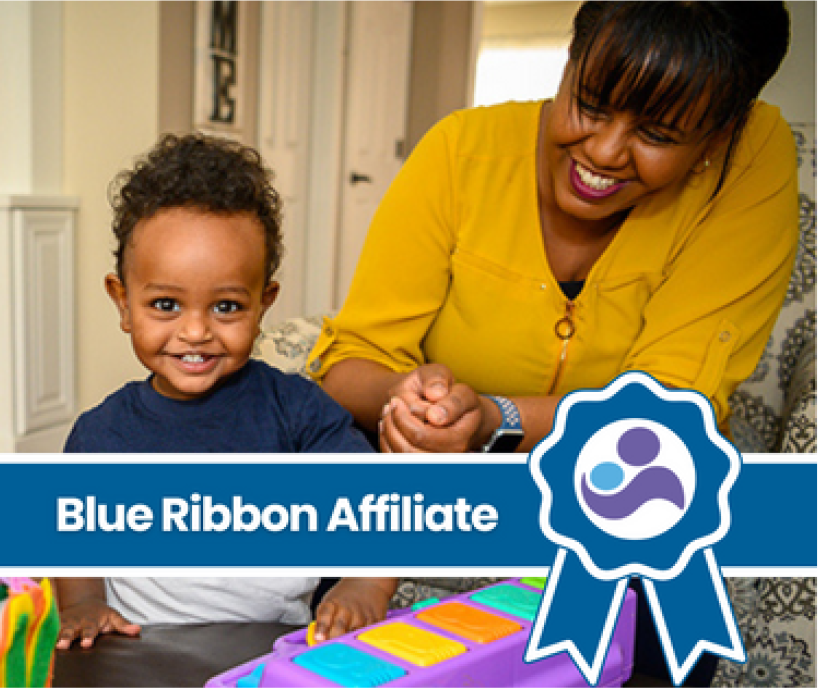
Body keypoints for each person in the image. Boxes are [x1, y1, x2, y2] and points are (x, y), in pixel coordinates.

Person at [307, 1, 798, 458]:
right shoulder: (459, 152)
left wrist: (494, 420)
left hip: (636, 488)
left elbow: (666, 410)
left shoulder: (748, 160)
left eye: (655, 135)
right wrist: (403, 398)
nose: (603, 153)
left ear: (718, 136)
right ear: (570, 62)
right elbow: (351, 366)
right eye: (590, 105)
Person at [57, 133, 397, 648]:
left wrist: (365, 582)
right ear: (123, 302)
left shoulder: (300, 415)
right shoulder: (101, 434)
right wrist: (83, 604)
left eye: (227, 307)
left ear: (264, 303)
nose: (196, 332)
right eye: (166, 305)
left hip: (272, 653)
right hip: (139, 652)